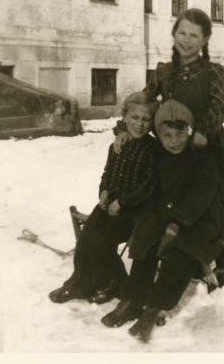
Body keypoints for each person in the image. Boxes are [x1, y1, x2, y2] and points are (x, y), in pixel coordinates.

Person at [114, 8, 224, 287]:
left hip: (206, 146)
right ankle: (173, 256)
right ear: (173, 34)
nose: (186, 40)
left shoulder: (213, 71)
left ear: (205, 39)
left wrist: (203, 131)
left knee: (211, 207)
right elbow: (143, 103)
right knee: (169, 204)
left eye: (194, 35)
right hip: (172, 147)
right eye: (181, 32)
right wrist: (124, 130)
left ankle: (223, 268)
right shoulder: (164, 71)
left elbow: (220, 105)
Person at [102, 100, 224, 343]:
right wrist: (147, 220)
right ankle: (133, 300)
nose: (174, 140)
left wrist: (177, 224)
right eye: (166, 134)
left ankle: (154, 308)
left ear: (190, 130)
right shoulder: (161, 157)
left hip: (198, 222)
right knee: (145, 241)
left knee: (177, 256)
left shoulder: (204, 159)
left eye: (180, 133)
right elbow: (156, 193)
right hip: (169, 216)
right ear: (158, 135)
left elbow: (200, 198)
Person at [49, 92, 158, 305]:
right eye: (134, 117)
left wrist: (122, 202)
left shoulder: (153, 150)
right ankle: (80, 284)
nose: (139, 124)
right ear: (124, 117)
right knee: (86, 238)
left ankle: (111, 283)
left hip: (134, 211)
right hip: (111, 204)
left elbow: (149, 186)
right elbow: (108, 173)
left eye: (146, 119)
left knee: (101, 242)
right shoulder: (117, 145)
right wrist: (105, 191)